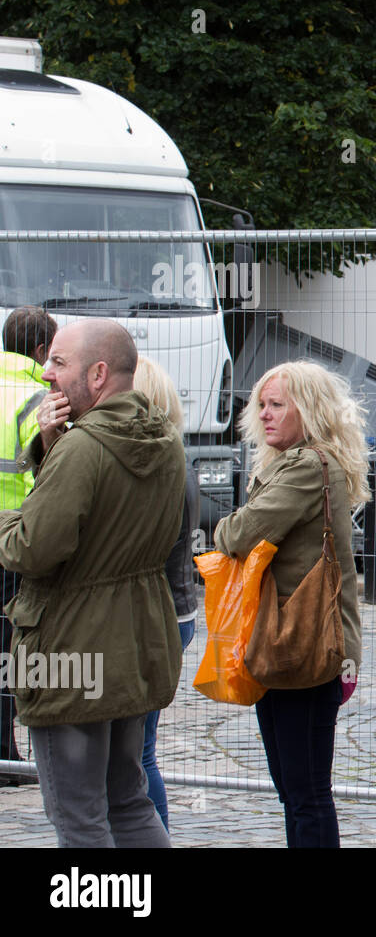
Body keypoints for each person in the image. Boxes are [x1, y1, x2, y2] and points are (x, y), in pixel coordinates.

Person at [0, 318, 184, 847]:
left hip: (73, 651)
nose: (46, 375)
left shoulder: (87, 448)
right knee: (128, 800)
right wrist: (53, 443)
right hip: (133, 642)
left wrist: (8, 517)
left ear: (98, 374)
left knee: (78, 815)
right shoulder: (163, 441)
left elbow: (31, 548)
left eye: (59, 363)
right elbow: (106, 521)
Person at [213, 361, 369, 848]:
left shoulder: (306, 466)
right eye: (260, 404)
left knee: (305, 793)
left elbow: (237, 534)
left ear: (310, 410)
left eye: (277, 404)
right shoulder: (296, 463)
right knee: (295, 789)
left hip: (305, 646)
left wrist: (225, 528)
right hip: (286, 644)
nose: (264, 415)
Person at [133, 356, 200, 829]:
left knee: (136, 753)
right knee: (139, 749)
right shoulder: (177, 458)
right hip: (174, 612)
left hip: (154, 618)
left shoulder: (159, 467)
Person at [0, 307, 56, 787]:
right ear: (41, 351)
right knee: (11, 648)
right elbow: (49, 475)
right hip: (13, 543)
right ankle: (6, 753)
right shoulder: (38, 398)